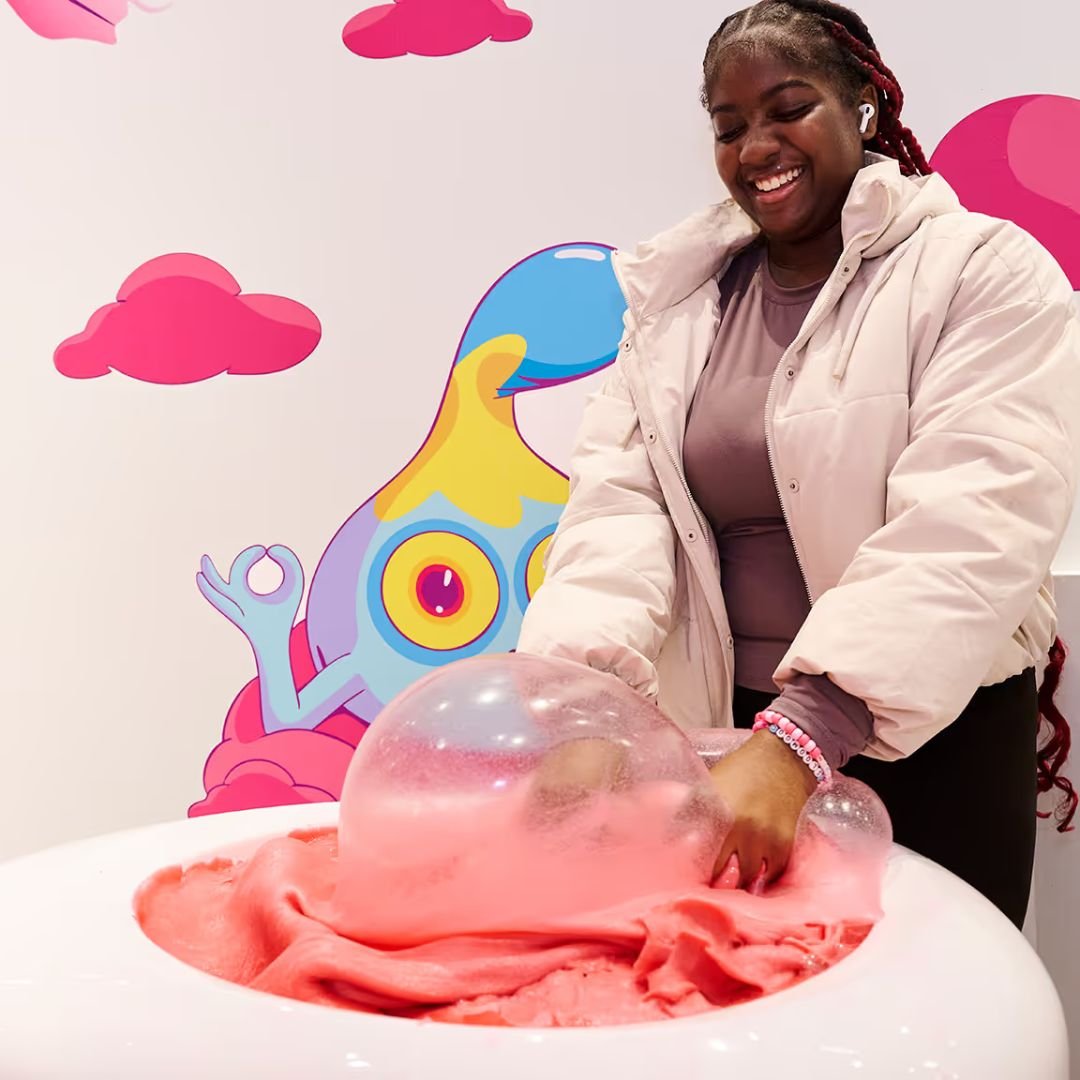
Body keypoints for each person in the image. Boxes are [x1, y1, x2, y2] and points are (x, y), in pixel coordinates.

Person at [516, 0, 1080, 929]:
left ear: (864, 105)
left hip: (928, 739)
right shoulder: (675, 311)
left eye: (788, 108)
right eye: (729, 126)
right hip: (725, 733)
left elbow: (979, 519)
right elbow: (616, 517)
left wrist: (803, 738)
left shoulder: (980, 268)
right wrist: (590, 710)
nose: (757, 146)